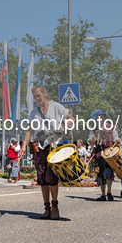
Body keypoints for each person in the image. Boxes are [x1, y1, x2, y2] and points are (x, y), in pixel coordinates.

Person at [20, 86, 74, 220]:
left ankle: (55, 206)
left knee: (51, 177)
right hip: (40, 147)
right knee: (42, 178)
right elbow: (29, 130)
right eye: (35, 97)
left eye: (39, 95)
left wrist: (62, 128)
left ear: (44, 94)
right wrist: (24, 145)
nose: (37, 99)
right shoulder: (34, 113)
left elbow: (71, 119)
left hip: (54, 146)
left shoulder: (56, 107)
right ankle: (47, 208)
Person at [88, 110, 119, 201]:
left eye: (102, 117)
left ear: (105, 118)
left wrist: (117, 141)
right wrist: (93, 140)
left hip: (109, 154)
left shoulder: (111, 127)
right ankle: (103, 194)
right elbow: (89, 141)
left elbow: (116, 138)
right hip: (99, 154)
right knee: (100, 174)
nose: (100, 119)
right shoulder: (94, 129)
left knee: (109, 174)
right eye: (99, 117)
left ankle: (109, 192)